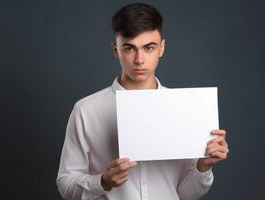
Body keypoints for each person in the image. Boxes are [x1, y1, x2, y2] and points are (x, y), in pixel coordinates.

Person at [56, 3, 229, 200]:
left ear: (161, 48)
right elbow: (65, 184)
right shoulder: (86, 110)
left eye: (149, 48)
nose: (139, 60)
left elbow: (184, 194)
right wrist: (102, 181)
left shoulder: (185, 109)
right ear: (116, 50)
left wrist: (203, 167)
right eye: (129, 48)